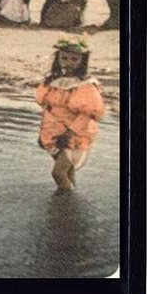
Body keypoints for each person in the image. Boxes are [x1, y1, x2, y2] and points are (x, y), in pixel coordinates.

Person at [35, 36, 106, 191]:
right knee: (68, 171)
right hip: (53, 129)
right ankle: (71, 202)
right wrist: (42, 133)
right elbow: (47, 107)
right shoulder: (52, 80)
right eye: (64, 58)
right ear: (58, 59)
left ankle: (65, 204)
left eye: (74, 59)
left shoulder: (84, 85)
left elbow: (87, 114)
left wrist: (69, 134)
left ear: (82, 61)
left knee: (58, 173)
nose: (68, 62)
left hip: (72, 132)